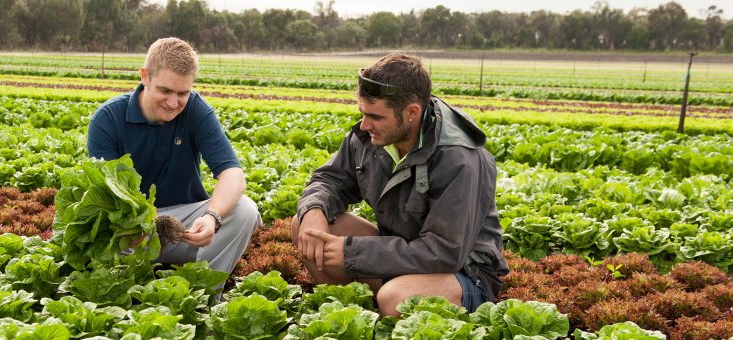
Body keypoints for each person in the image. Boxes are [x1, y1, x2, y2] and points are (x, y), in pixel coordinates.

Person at [291, 53, 509, 316]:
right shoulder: (369, 138)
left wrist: (352, 254)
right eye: (362, 113)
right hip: (402, 251)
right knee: (306, 228)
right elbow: (330, 179)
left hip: (462, 272)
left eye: (375, 116)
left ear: (411, 113)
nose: (364, 124)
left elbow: (444, 251)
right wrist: (314, 210)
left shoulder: (459, 158)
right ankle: (359, 318)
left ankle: (389, 309)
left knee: (397, 299)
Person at [87, 37, 261, 276]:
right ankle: (129, 287)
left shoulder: (196, 110)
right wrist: (127, 226)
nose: (173, 102)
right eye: (165, 90)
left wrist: (211, 218)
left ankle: (204, 291)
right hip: (131, 232)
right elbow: (104, 193)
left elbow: (233, 175)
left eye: (182, 93)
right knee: (90, 236)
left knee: (245, 210)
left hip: (185, 230)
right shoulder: (108, 118)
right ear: (145, 76)